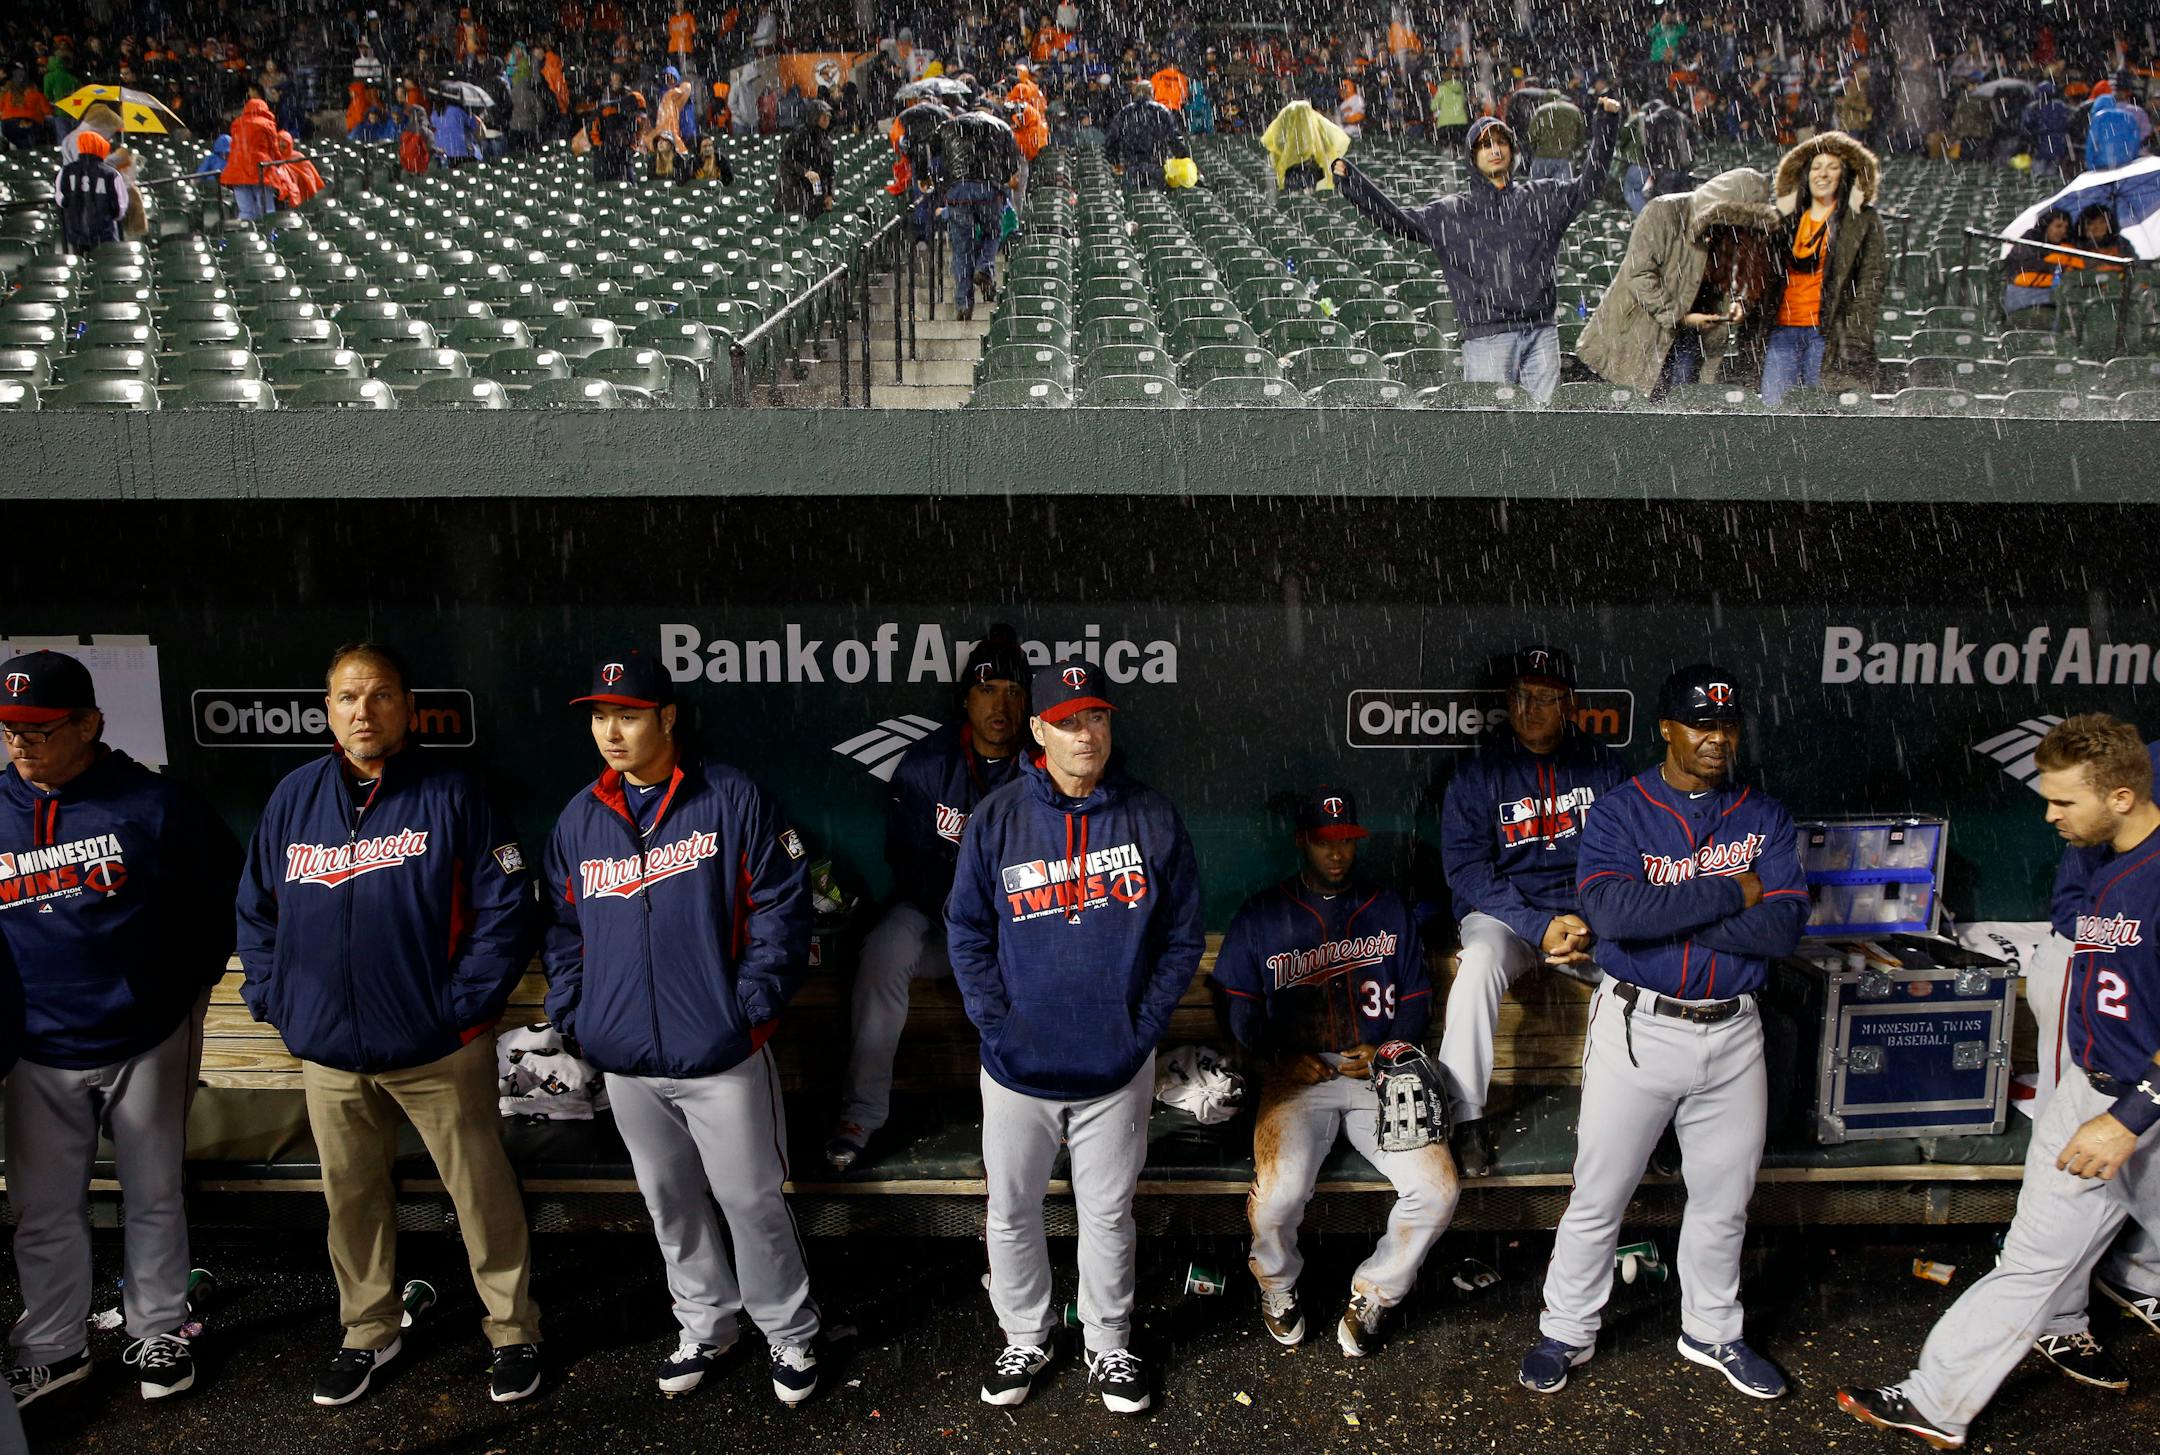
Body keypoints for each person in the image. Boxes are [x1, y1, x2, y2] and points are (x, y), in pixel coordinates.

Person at [1837, 715, 2160, 1449]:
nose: (2048, 815)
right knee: (2032, 1260)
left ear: (2120, 794)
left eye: (2063, 802)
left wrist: (2131, 1116)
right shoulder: (2101, 857)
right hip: (2097, 1093)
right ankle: (1934, 1399)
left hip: (2144, 1110)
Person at [235, 643, 543, 1408]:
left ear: (408, 706)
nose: (362, 712)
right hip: (329, 1050)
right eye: (346, 697)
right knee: (351, 1196)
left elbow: (507, 911)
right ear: (327, 709)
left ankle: (513, 1331)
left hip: (435, 1048)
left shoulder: (453, 794)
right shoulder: (294, 797)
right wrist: (276, 998)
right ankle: (368, 1330)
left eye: (377, 696)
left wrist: (460, 1008)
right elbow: (256, 910)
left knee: (479, 1191)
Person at [1520, 666, 1808, 1400]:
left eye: (1728, 725)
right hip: (1638, 1025)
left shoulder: (1764, 816)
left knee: (1723, 1198)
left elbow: (1781, 927)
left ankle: (1712, 1329)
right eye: (1701, 725)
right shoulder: (1621, 811)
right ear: (1668, 729)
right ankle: (1566, 1328)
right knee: (1599, 1193)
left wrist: (1671, 906)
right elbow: (1615, 916)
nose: (1717, 738)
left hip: (1735, 1033)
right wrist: (1729, 890)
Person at [542, 653, 821, 1406]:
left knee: (751, 1198)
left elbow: (782, 911)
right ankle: (706, 1322)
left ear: (667, 717)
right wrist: (577, 1012)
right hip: (626, 1057)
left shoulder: (731, 798)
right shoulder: (579, 818)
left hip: (721, 1053)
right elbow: (566, 929)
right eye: (600, 716)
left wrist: (746, 1009)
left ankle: (789, 1330)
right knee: (669, 1199)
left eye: (628, 713)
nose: (611, 730)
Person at [945, 659, 1204, 1416]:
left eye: (1096, 717)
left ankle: (1108, 1339)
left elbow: (1182, 937)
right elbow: (965, 930)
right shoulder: (998, 818)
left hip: (1114, 1068)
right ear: (1038, 731)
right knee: (1011, 1211)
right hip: (1017, 1069)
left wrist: (1141, 1028)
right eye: (1067, 720)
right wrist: (999, 1025)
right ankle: (1025, 1333)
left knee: (1108, 1213)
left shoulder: (1150, 816)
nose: (1084, 732)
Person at [0, 652, 240, 1409]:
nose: (22, 744)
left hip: (143, 1035)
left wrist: (177, 993)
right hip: (32, 1045)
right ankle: (53, 1346)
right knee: (41, 1208)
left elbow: (222, 898)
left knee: (153, 1193)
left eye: (40, 729)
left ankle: (158, 1327)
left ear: (90, 724)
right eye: (10, 729)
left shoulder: (154, 803)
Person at [1213, 788, 1456, 1356]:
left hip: (1378, 1074)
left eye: (1346, 840)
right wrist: (1275, 1058)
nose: (1338, 853)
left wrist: (1391, 1046)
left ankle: (1377, 1290)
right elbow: (1235, 1005)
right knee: (1278, 1195)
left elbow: (1418, 996)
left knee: (1437, 1190)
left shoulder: (1389, 907)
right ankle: (1277, 1283)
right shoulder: (1262, 914)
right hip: (1298, 1080)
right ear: (1304, 842)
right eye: (1325, 841)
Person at [828, 630, 1030, 1171]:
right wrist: (961, 917)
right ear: (966, 698)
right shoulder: (927, 763)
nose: (1001, 704)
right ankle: (861, 1113)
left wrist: (993, 925)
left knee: (1039, 961)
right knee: (885, 949)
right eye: (988, 689)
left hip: (1009, 927)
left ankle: (1032, 1116)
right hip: (933, 915)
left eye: (1014, 691)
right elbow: (909, 859)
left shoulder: (1041, 768)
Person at [1437, 647, 1632, 1175]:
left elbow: (1625, 856)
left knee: (1645, 971)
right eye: (1523, 695)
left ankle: (1638, 1116)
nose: (1532, 708)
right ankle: (1466, 1117)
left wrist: (1591, 921)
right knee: (1476, 966)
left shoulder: (1602, 765)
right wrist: (1539, 926)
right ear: (1509, 700)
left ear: (1568, 703)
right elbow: (1468, 870)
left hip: (1587, 916)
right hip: (1505, 915)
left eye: (1546, 697)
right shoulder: (1479, 770)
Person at [1331, 97, 1621, 404]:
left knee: (1544, 429)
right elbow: (1397, 221)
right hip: (1487, 338)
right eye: (1485, 145)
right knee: (1491, 427)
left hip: (1540, 333)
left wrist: (1606, 123)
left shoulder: (1542, 198)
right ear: (1473, 156)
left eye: (1500, 143)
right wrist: (1353, 184)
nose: (1495, 151)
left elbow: (1591, 183)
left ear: (1512, 150)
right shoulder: (1452, 212)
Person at [1578, 168, 1780, 398]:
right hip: (1643, 330)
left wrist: (1738, 303)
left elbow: (1737, 275)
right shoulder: (1663, 211)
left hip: (1691, 336)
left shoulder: (1730, 232)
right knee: (1636, 411)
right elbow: (1639, 274)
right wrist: (1679, 316)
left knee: (1679, 410)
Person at [1751, 131, 1886, 408]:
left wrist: (1855, 334)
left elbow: (1872, 279)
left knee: (1822, 417)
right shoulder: (1785, 221)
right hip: (1782, 333)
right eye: (1816, 167)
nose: (1822, 174)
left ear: (1844, 175)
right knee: (1772, 415)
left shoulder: (1863, 221)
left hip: (1827, 336)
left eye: (1832, 167)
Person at [934, 95, 1019, 320]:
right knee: (993, 233)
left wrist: (935, 181)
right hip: (988, 192)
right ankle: (985, 265)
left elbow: (934, 157)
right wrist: (999, 177)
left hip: (957, 194)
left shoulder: (950, 126)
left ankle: (963, 303)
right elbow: (1012, 167)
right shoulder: (1000, 127)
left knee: (962, 249)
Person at [1104, 77, 1191, 193]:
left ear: (1135, 94)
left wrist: (1116, 162)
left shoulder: (1125, 113)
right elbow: (1175, 139)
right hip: (1156, 166)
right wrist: (1184, 157)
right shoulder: (1162, 111)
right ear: (1151, 93)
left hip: (1132, 167)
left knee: (1135, 203)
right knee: (1155, 202)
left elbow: (1111, 141)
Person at [2001, 207, 2077, 327]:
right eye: (2058, 226)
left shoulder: (2065, 248)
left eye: (2065, 227)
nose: (2063, 231)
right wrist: (2055, 262)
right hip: (2023, 296)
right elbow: (2025, 270)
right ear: (2046, 225)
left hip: (2052, 298)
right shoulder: (2029, 242)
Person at [53, 132, 124, 255]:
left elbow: (61, 199)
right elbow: (120, 207)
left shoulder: (66, 171)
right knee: (105, 266)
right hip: (105, 234)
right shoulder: (111, 174)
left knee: (80, 268)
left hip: (76, 234)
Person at [220, 96, 282, 221]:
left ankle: (246, 234)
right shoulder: (267, 124)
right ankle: (268, 234)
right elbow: (273, 148)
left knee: (245, 211)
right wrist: (278, 162)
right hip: (260, 169)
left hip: (237, 169)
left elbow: (234, 146)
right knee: (266, 209)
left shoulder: (237, 123)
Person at [777, 99, 835, 218]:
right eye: (823, 116)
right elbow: (787, 158)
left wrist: (830, 194)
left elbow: (830, 171)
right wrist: (805, 172)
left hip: (816, 192)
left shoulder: (826, 141)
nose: (826, 120)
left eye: (828, 116)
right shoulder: (799, 134)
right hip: (795, 191)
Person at [1527, 90, 1585, 181]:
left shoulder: (1541, 110)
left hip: (1542, 157)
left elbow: (1532, 134)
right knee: (1562, 191)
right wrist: (1575, 151)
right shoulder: (1574, 111)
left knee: (1535, 190)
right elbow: (1581, 135)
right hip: (1564, 158)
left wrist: (1535, 148)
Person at [1, 67, 53, 150]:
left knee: (18, 143)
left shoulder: (7, 95)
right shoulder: (36, 94)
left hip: (7, 125)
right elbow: (48, 112)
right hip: (28, 123)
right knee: (29, 146)